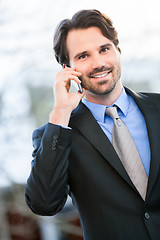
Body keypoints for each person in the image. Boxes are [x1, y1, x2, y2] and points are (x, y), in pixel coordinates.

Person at [25, 9, 160, 240]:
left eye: (104, 49)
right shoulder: (58, 132)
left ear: (118, 50)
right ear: (67, 69)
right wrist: (60, 112)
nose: (98, 63)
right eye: (83, 56)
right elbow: (44, 204)